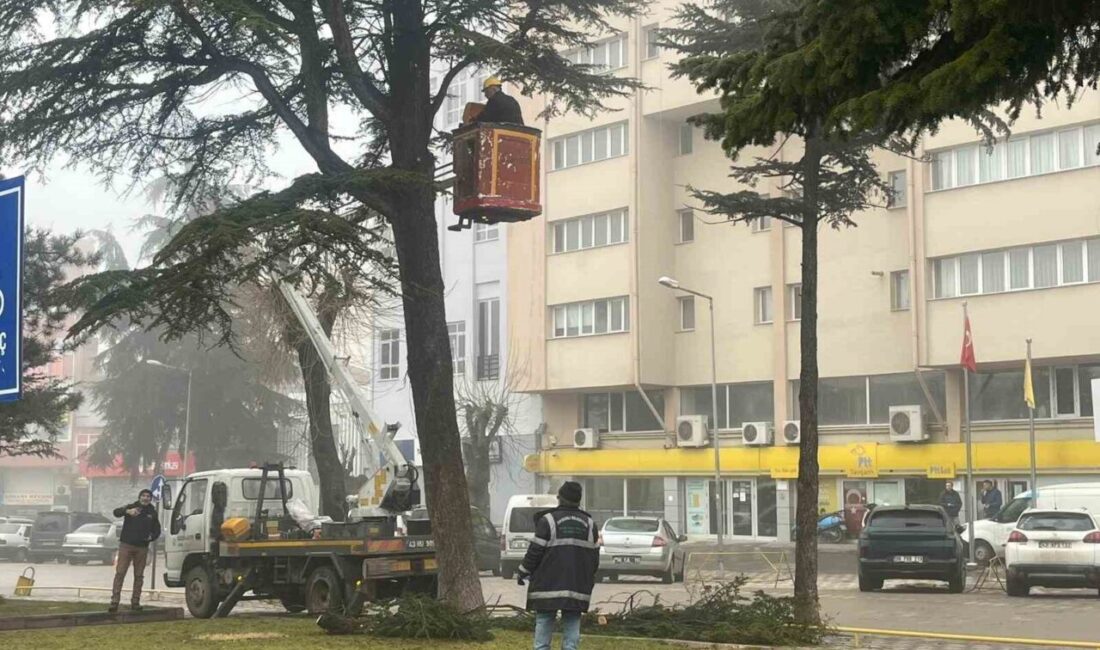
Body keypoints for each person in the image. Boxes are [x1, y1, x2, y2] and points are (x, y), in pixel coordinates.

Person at [517, 481, 599, 650]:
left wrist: (523, 571)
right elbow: (594, 558)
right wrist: (588, 578)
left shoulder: (548, 520)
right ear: (578, 500)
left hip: (548, 584)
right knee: (572, 620)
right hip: (577, 584)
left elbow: (535, 551)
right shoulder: (590, 524)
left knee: (545, 620)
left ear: (560, 498)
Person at [109, 489, 161, 613]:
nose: (145, 498)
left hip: (142, 548)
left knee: (139, 576)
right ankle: (114, 601)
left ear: (150, 499)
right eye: (143, 496)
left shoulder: (152, 512)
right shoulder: (131, 507)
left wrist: (151, 537)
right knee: (120, 573)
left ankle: (135, 602)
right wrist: (127, 511)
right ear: (139, 497)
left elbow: (157, 530)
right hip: (126, 545)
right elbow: (116, 512)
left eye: (148, 496)